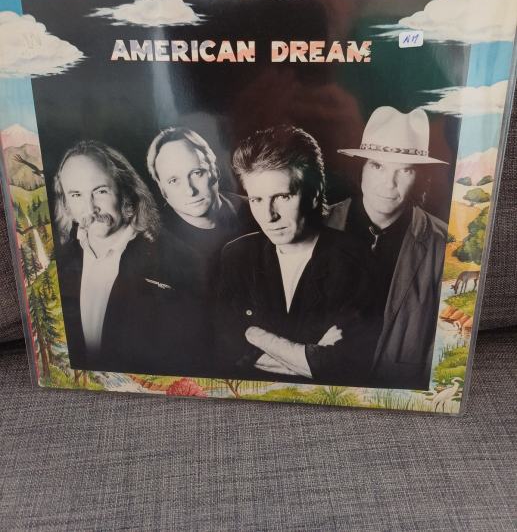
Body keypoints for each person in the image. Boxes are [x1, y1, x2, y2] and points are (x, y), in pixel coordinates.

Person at [216, 125, 370, 384]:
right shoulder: (236, 255)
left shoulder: (354, 260)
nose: (269, 216)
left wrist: (253, 335)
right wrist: (305, 356)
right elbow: (226, 347)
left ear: (314, 192)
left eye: (283, 197)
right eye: (256, 200)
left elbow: (336, 364)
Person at [327, 106, 448, 389]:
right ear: (361, 168)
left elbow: (446, 349)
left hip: (396, 392)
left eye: (404, 170)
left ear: (419, 177)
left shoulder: (445, 245)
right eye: (378, 165)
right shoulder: (314, 225)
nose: (389, 183)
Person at [54, 140, 198, 374]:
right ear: (66, 203)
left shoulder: (180, 261)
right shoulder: (57, 261)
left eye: (100, 191)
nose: (90, 208)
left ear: (127, 191)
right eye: (76, 194)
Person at [146, 126, 253, 286]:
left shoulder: (256, 210)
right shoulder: (153, 245)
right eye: (174, 181)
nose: (190, 191)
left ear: (215, 171)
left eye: (196, 173)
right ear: (162, 189)